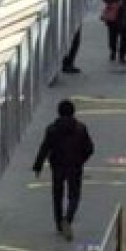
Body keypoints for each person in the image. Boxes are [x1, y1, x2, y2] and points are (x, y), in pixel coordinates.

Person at [32, 99, 95, 241]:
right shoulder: (81, 128)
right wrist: (81, 160)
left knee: (57, 196)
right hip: (75, 167)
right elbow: (90, 149)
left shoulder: (52, 129)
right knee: (74, 196)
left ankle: (59, 224)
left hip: (58, 166)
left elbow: (44, 148)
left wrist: (38, 166)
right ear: (73, 112)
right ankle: (68, 218)